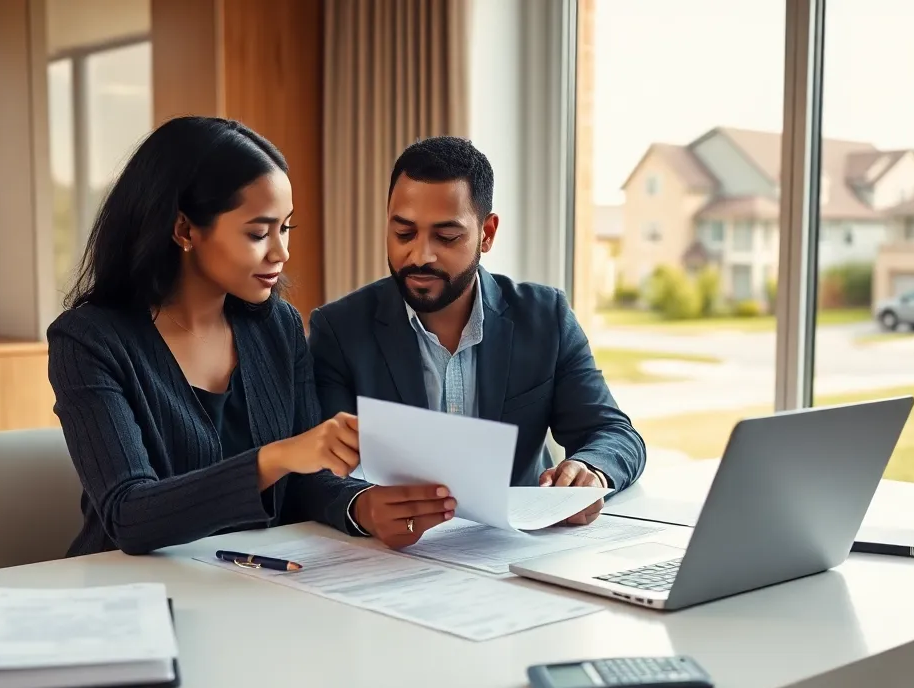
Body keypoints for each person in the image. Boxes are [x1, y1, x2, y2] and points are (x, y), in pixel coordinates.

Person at [49, 117, 457, 556]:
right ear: (185, 229)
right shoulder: (88, 341)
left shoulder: (278, 326)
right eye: (259, 233)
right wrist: (275, 457)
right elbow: (128, 516)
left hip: (253, 585)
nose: (281, 252)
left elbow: (304, 483)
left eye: (285, 228)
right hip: (131, 595)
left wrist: (362, 506)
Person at [308, 136, 646, 527]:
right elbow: (315, 470)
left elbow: (613, 433)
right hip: (394, 558)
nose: (420, 255)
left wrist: (590, 469)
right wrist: (362, 506)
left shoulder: (545, 318)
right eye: (403, 233)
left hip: (517, 553)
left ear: (487, 233)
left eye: (446, 237)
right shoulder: (339, 330)